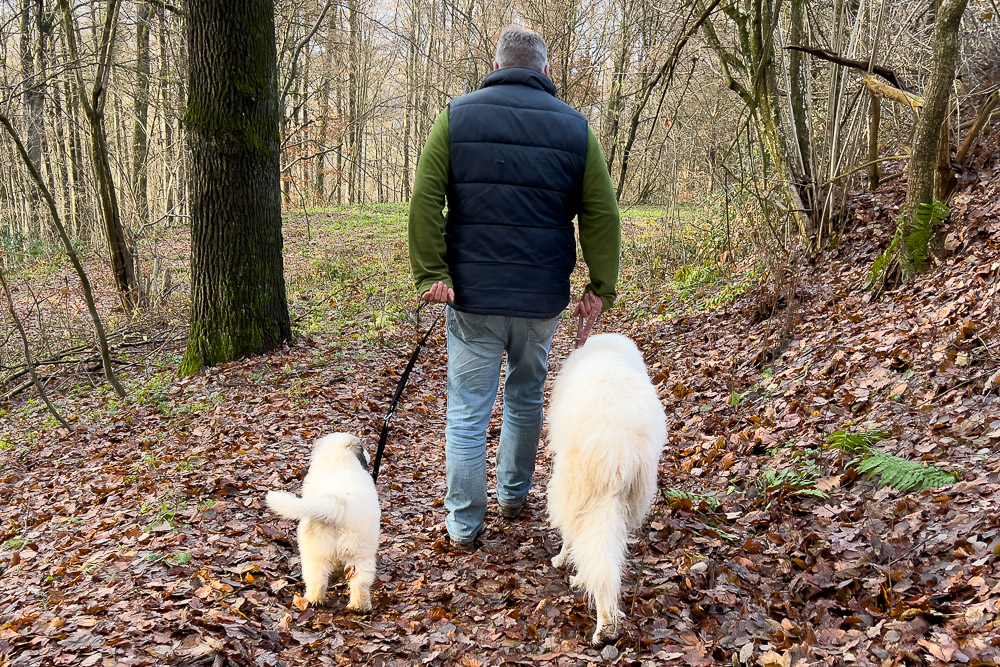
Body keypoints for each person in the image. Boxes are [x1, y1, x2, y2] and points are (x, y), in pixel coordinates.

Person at [407, 25, 621, 551]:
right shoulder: (575, 128)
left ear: (498, 63)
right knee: (525, 398)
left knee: (468, 409)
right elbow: (602, 214)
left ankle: (463, 526)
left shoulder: (456, 116)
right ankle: (512, 497)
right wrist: (601, 286)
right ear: (545, 70)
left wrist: (432, 272)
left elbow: (424, 198)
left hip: (473, 296)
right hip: (541, 297)